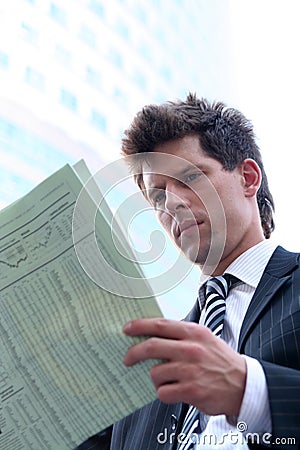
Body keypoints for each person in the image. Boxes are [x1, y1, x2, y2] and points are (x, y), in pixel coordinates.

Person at [76, 94, 300, 449]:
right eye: (158, 196)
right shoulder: (147, 361)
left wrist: (248, 390)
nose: (173, 203)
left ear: (248, 178)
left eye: (191, 177)